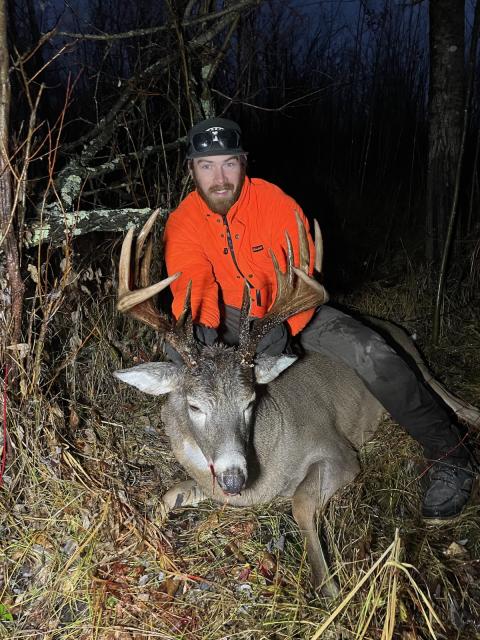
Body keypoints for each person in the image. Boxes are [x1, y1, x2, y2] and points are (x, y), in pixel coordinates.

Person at [163, 116, 476, 520]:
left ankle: (450, 454)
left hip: (290, 311)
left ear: (244, 163)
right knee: (181, 364)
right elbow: (195, 286)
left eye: (229, 164)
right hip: (229, 317)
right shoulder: (184, 222)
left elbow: (302, 280)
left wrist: (282, 326)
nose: (219, 178)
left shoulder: (276, 205)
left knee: (371, 350)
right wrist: (201, 336)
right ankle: (208, 456)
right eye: (207, 166)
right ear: (191, 170)